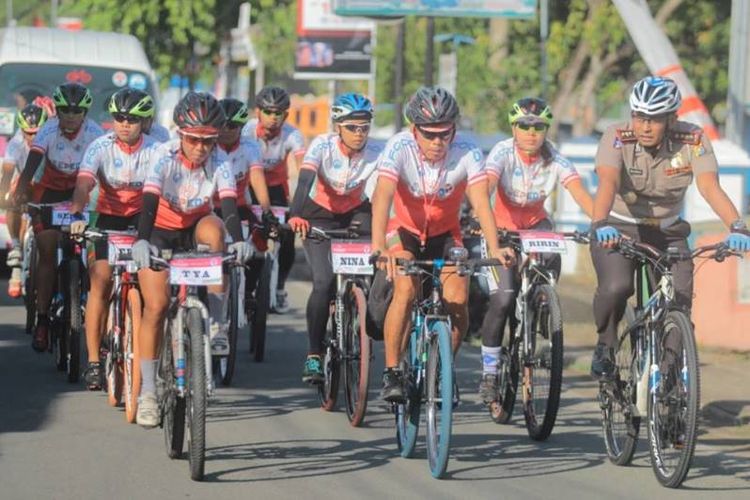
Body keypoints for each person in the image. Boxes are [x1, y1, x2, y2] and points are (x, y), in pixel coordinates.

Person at [589, 76, 750, 378]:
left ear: (672, 118)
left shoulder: (693, 139)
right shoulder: (616, 136)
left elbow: (709, 186)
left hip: (668, 231)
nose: (644, 126)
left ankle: (669, 375)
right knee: (616, 287)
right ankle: (606, 344)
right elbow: (608, 181)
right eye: (639, 116)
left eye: (654, 119)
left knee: (679, 300)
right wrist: (599, 223)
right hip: (618, 227)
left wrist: (738, 227)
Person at [370, 86, 514, 403]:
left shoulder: (467, 150)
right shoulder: (399, 146)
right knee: (406, 290)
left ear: (454, 130)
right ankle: (393, 372)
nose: (437, 142)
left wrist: (495, 246)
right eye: (429, 134)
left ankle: (441, 368)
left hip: (446, 234)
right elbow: (382, 197)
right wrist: (379, 245)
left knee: (457, 300)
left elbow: (481, 203)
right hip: (403, 229)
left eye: (444, 134)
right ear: (414, 130)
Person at [131, 91, 250, 427]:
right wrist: (141, 239)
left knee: (215, 230)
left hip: (195, 225)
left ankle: (215, 323)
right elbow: (149, 201)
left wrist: (238, 241)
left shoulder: (220, 161)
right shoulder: (161, 155)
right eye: (194, 140)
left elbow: (228, 205)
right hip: (159, 229)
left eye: (209, 141)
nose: (201, 148)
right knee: (154, 307)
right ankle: (150, 392)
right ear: (181, 134)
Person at [475, 97, 593, 403]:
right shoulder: (503, 152)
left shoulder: (556, 159)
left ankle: (541, 307)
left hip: (536, 225)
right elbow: (486, 185)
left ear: (546, 129)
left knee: (551, 256)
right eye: (524, 126)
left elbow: (580, 192)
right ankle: (489, 371)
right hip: (501, 230)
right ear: (514, 128)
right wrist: (478, 217)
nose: (531, 132)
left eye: (539, 126)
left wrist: (602, 222)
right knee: (502, 299)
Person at [287, 93, 382, 384]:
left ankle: (368, 315)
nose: (359, 133)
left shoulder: (379, 151)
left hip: (355, 213)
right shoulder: (322, 145)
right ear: (338, 127)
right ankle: (314, 354)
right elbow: (305, 180)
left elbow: (385, 194)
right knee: (324, 282)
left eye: (364, 127)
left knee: (380, 261)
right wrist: (295, 214)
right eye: (352, 127)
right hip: (317, 215)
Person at [69, 88, 160, 390]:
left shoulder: (157, 149)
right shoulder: (99, 147)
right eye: (119, 117)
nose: (124, 123)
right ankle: (94, 362)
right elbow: (84, 184)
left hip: (143, 220)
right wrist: (78, 214)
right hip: (106, 219)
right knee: (101, 280)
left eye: (132, 119)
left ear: (144, 121)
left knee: (152, 288)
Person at [12, 82, 104, 352]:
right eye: (65, 110)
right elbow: (32, 164)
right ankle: (42, 319)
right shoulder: (48, 130)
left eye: (77, 111)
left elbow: (102, 173)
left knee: (94, 252)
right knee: (48, 249)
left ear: (85, 113)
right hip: (50, 192)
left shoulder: (95, 134)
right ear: (58, 111)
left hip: (82, 191)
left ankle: (90, 298)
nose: (71, 116)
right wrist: (20, 192)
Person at [242, 86, 306, 313]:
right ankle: (247, 288)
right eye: (268, 112)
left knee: (288, 235)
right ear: (257, 112)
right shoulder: (246, 131)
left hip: (278, 190)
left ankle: (279, 286)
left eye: (278, 113)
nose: (273, 118)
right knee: (249, 234)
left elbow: (304, 168)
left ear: (286, 115)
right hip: (249, 187)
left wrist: (306, 200)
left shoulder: (292, 134)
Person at [1, 104, 48, 297]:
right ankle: (16, 248)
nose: (33, 138)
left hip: (47, 183)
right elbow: (8, 173)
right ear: (21, 130)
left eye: (37, 132)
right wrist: (4, 197)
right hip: (23, 182)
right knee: (12, 197)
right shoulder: (15, 144)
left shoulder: (53, 139)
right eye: (28, 133)